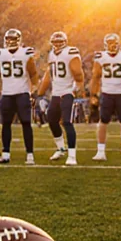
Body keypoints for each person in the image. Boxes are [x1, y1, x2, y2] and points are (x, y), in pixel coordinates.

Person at [90, 33, 121, 162]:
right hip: (107, 93)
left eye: (114, 44)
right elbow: (96, 77)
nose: (112, 47)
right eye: (110, 44)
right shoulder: (101, 57)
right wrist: (94, 94)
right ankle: (101, 151)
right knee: (104, 121)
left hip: (120, 94)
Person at [0, 29, 38, 165]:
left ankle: (30, 155)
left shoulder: (25, 53)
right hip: (6, 94)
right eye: (8, 39)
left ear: (19, 41)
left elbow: (33, 74)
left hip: (22, 93)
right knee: (5, 124)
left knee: (26, 123)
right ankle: (5, 154)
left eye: (13, 40)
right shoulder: (0, 54)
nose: (10, 42)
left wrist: (34, 90)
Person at [35, 31, 82, 166]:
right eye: (55, 42)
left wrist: (78, 86)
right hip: (55, 93)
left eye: (59, 42)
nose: (57, 44)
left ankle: (72, 155)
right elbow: (49, 74)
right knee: (51, 120)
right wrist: (40, 93)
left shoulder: (71, 52)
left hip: (67, 92)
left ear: (65, 42)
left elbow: (78, 72)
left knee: (67, 122)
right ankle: (61, 148)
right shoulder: (51, 54)